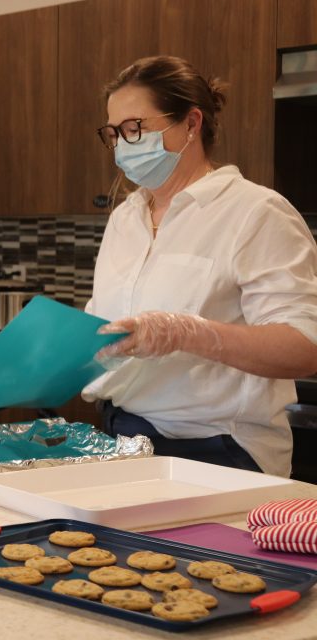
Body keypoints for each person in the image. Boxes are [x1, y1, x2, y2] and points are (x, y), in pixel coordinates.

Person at [85, 55, 317, 477]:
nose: (121, 145)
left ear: (191, 124)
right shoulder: (125, 218)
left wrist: (191, 334)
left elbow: (305, 347)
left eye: (135, 128)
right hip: (125, 439)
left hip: (219, 450)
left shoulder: (255, 212)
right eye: (113, 133)